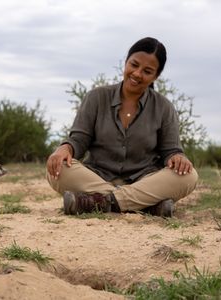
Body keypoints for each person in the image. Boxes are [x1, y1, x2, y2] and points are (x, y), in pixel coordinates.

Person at [46, 37, 198, 217]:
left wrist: (178, 157)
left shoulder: (164, 107)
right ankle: (146, 205)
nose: (137, 74)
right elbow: (78, 140)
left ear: (156, 76)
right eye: (134, 65)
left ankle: (100, 202)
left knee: (188, 176)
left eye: (147, 71)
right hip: (96, 177)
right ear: (125, 62)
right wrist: (65, 148)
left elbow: (170, 150)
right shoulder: (96, 97)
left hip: (144, 180)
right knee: (58, 168)